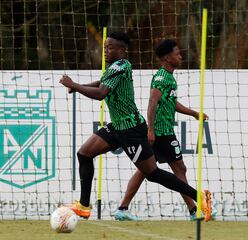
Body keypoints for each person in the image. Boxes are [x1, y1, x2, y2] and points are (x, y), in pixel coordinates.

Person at [59, 32, 212, 222]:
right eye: (105, 47)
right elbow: (102, 83)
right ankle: (83, 206)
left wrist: (74, 84)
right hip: (117, 127)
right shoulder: (114, 67)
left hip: (132, 129)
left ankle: (199, 197)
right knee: (84, 154)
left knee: (152, 173)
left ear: (122, 50)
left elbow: (100, 93)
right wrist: (78, 86)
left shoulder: (122, 65)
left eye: (111, 48)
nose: (106, 51)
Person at [114, 39, 216, 221]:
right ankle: (195, 210)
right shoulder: (162, 78)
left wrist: (193, 113)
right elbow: (152, 102)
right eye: (177, 54)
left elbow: (171, 102)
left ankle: (123, 208)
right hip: (161, 133)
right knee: (178, 168)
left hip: (162, 132)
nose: (180, 56)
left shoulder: (168, 77)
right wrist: (151, 130)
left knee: (146, 170)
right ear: (168, 57)